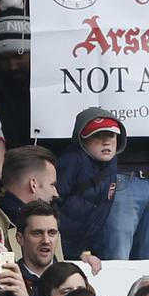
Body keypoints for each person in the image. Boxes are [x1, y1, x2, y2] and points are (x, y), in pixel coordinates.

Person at [56, 110, 125, 261]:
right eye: (98, 136)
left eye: (111, 135)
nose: (106, 142)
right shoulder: (72, 160)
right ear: (82, 139)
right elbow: (53, 201)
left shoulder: (111, 162)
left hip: (85, 245)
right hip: (59, 243)